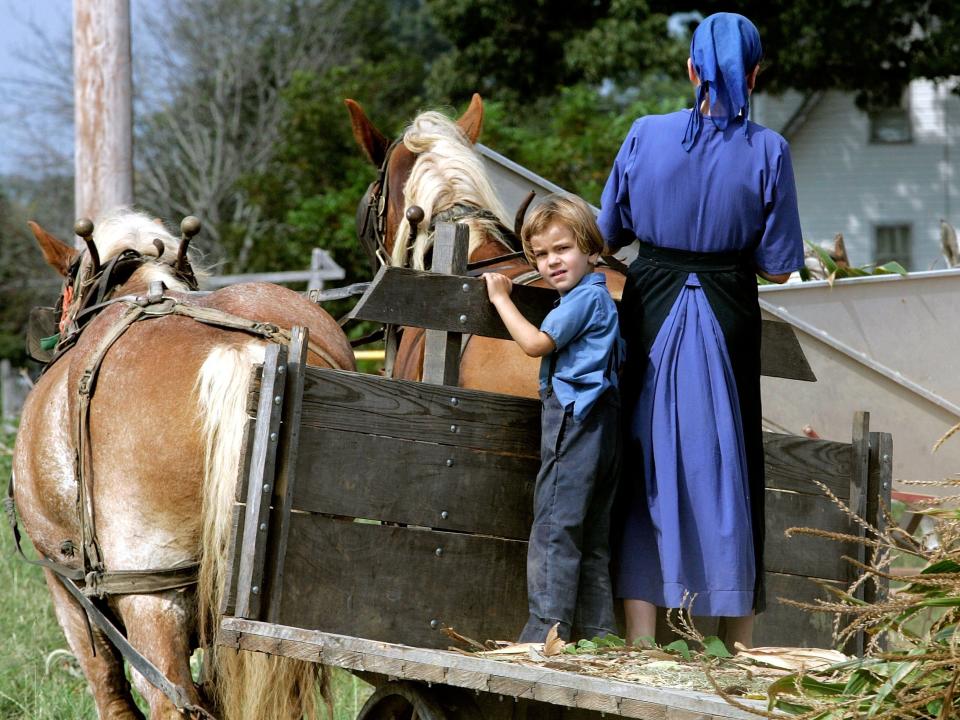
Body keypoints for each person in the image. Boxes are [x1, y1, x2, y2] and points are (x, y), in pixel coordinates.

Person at [597, 12, 804, 650]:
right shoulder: (770, 150)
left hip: (651, 307)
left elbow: (608, 233)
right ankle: (735, 643)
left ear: (691, 71)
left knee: (643, 461)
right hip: (728, 312)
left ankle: (640, 638)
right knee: (731, 465)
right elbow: (777, 261)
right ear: (755, 73)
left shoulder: (642, 134)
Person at [483, 194, 623, 643]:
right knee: (591, 534)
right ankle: (600, 634)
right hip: (602, 421)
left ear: (591, 249)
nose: (551, 262)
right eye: (540, 255)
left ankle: (546, 630)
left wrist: (502, 297)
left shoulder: (583, 300)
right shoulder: (597, 297)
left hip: (575, 419)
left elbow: (536, 345)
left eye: (561, 249)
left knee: (553, 525)